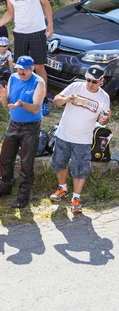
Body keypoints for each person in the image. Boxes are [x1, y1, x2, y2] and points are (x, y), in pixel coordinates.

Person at [0, 0, 54, 115]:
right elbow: (10, 12)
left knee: (38, 66)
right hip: (20, 33)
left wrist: (50, 24)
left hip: (37, 31)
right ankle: (20, 97)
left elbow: (46, 4)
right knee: (20, 68)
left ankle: (43, 100)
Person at [50, 66, 112, 213]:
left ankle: (76, 198)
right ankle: (62, 188)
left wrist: (105, 119)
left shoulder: (104, 97)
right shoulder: (75, 86)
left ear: (101, 81)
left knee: (80, 169)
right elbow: (56, 101)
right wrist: (67, 99)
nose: (90, 84)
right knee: (58, 163)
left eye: (94, 82)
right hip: (64, 134)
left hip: (84, 139)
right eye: (88, 80)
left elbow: (103, 121)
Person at [0, 56, 46, 208]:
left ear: (31, 68)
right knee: (5, 158)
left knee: (26, 162)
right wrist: (2, 98)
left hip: (31, 127)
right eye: (19, 68)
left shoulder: (38, 83)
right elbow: (7, 103)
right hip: (14, 124)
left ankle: (23, 196)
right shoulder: (13, 77)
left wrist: (21, 104)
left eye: (24, 69)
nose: (20, 72)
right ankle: (4, 188)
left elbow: (35, 108)